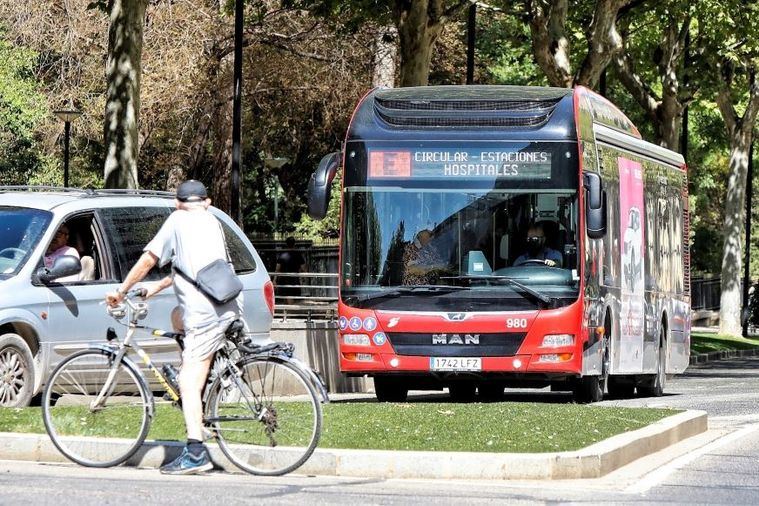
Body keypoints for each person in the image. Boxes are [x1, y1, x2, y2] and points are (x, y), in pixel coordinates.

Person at [105, 179, 241, 476]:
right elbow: (189, 268)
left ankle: (195, 452)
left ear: (177, 203)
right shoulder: (212, 220)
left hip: (205, 313)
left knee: (189, 380)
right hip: (227, 302)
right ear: (206, 201)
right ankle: (205, 376)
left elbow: (149, 259)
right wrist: (154, 289)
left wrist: (122, 290)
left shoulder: (177, 219)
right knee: (177, 317)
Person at [275, 237, 306, 306]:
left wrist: (275, 280)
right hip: (294, 278)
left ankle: (287, 314)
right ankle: (290, 314)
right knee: (290, 297)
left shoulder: (282, 255)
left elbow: (277, 269)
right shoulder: (298, 255)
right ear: (294, 244)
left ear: (286, 244)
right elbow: (303, 268)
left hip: (284, 279)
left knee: (286, 298)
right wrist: (303, 276)